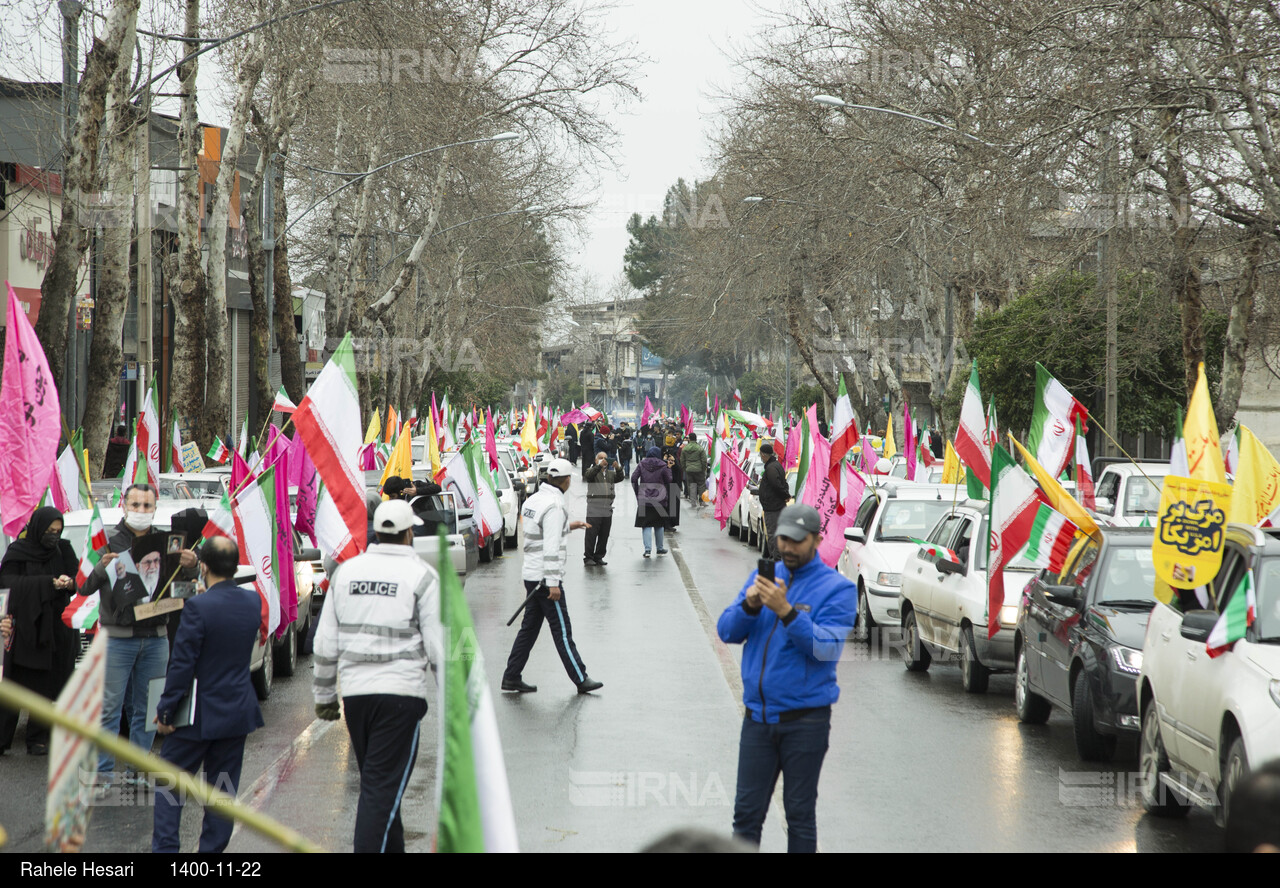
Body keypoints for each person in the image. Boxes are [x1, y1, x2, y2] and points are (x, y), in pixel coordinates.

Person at [716, 504, 857, 853]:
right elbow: (726, 630)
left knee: (799, 816)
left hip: (805, 722)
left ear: (817, 539)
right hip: (758, 720)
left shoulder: (838, 589)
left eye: (798, 540)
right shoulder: (762, 576)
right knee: (746, 816)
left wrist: (787, 612)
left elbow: (826, 649)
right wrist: (750, 605)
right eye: (783, 539)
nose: (789, 547)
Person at [313, 499, 443, 853]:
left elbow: (324, 642)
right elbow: (437, 648)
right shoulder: (421, 576)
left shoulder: (346, 573)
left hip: (356, 698)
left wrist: (325, 697)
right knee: (381, 791)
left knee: (384, 787)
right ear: (408, 534)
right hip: (400, 698)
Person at [151, 536, 264, 853]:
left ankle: (166, 850)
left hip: (196, 714)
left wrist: (166, 711)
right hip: (236, 712)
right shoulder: (253, 602)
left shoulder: (198, 608)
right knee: (222, 794)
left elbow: (182, 665)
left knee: (171, 785)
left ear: (203, 567)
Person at [80, 484, 198, 782]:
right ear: (124, 505)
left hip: (157, 637)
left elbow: (183, 588)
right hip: (117, 639)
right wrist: (101, 569)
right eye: (136, 505)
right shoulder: (106, 541)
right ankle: (104, 774)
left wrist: (193, 567)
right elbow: (83, 587)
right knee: (109, 708)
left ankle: (137, 769)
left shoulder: (168, 541)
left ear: (155, 507)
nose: (141, 511)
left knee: (147, 709)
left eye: (147, 506)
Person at [501, 458, 601, 694]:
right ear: (565, 480)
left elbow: (540, 531)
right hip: (546, 580)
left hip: (532, 575)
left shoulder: (535, 499)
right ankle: (580, 678)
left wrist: (569, 526)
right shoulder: (555, 505)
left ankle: (511, 676)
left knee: (529, 630)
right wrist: (554, 583)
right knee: (562, 630)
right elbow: (551, 547)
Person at [0, 507, 79, 755]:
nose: (53, 536)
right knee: (14, 684)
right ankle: (3, 738)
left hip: (54, 629)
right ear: (37, 528)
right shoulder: (18, 553)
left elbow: (77, 580)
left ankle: (38, 738)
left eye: (58, 531)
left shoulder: (63, 549)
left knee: (47, 683)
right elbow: (8, 584)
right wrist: (47, 583)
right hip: (22, 629)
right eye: (49, 531)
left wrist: (69, 583)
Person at [583, 449, 624, 566]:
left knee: (604, 534)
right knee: (591, 533)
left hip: (607, 508)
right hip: (594, 507)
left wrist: (618, 468)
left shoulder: (610, 473)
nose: (604, 460)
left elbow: (620, 477)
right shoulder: (592, 471)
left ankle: (599, 556)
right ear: (596, 460)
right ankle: (588, 557)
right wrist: (598, 466)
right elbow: (588, 476)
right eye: (601, 458)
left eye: (605, 458)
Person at [632, 446, 672, 557]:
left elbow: (633, 479)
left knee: (646, 525)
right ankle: (660, 548)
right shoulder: (663, 465)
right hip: (660, 499)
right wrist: (669, 468)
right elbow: (669, 480)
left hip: (644, 499)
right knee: (659, 524)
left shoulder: (641, 464)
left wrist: (638, 492)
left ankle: (647, 550)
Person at [757, 443, 790, 559]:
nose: (760, 457)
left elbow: (776, 485)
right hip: (777, 506)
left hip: (773, 508)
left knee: (773, 534)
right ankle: (777, 558)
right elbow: (783, 484)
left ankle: (776, 559)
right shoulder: (776, 465)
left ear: (763, 454)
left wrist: (785, 495)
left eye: (760, 455)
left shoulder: (771, 468)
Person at [681, 433, 709, 508]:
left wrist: (685, 468)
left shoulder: (685, 449)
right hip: (699, 470)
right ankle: (702, 501)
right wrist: (703, 468)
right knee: (701, 485)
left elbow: (682, 460)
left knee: (691, 485)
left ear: (689, 439)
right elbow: (704, 460)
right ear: (696, 439)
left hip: (689, 469)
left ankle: (693, 502)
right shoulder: (700, 448)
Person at [665, 451, 683, 534]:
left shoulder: (675, 463)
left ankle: (670, 524)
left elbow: (679, 471)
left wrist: (674, 463)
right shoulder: (662, 464)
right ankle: (667, 525)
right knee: (668, 506)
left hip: (674, 486)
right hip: (667, 487)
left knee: (672, 506)